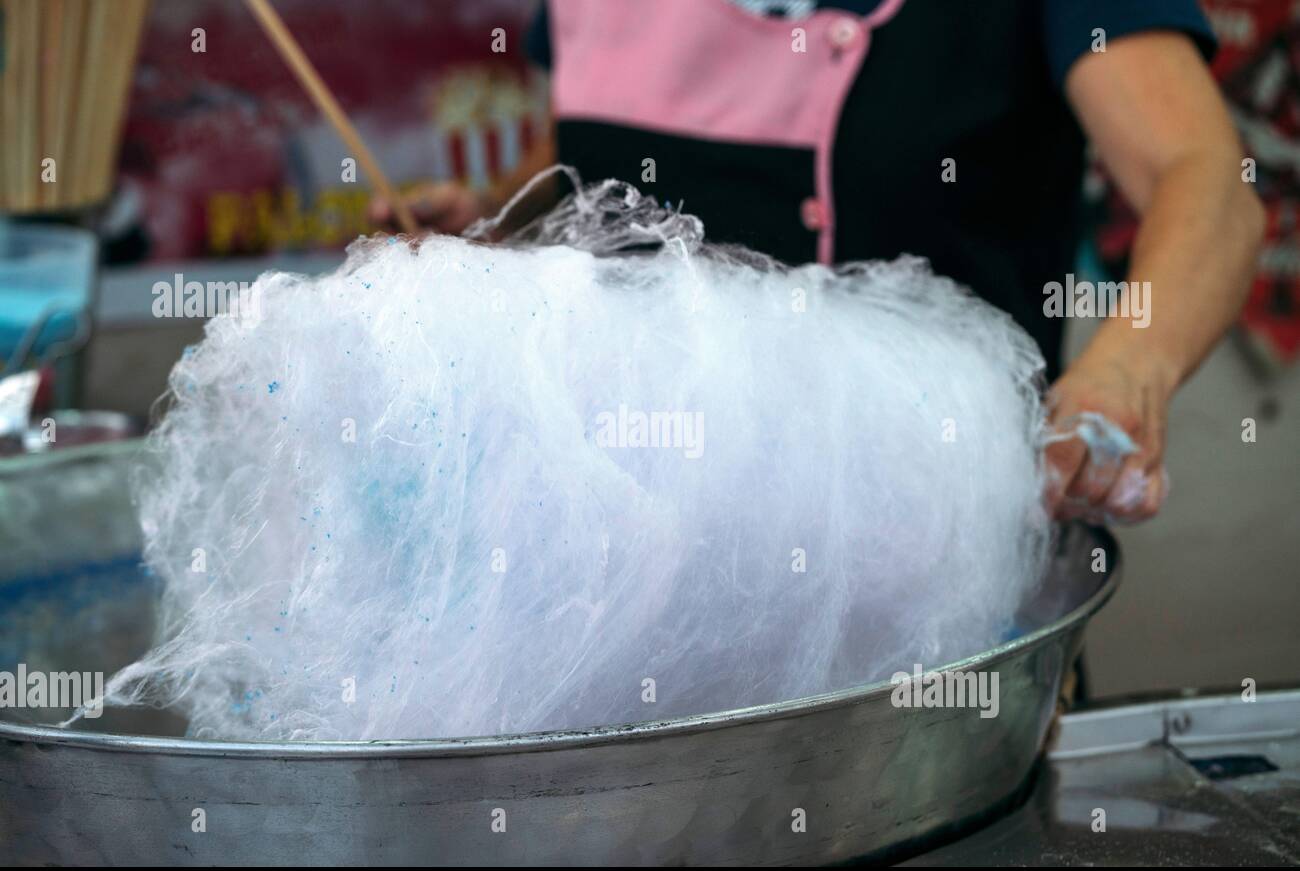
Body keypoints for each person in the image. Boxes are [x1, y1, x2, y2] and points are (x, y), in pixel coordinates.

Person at [374, 0, 1265, 525]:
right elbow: (598, 177)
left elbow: (1208, 183)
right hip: (625, 571)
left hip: (932, 600)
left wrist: (1127, 365)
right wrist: (498, 237)